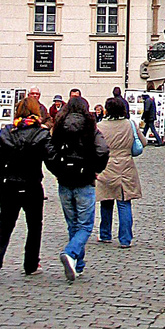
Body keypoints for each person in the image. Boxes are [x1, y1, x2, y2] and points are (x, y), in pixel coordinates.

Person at [0, 95, 55, 283]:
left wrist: (0, 184)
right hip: (32, 185)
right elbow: (51, 160)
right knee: (34, 226)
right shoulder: (41, 134)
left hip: (9, 184)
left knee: (5, 225)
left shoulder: (6, 132)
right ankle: (31, 264)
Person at [47, 96, 109, 281]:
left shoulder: (59, 126)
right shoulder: (90, 126)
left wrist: (57, 170)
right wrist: (95, 169)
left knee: (72, 223)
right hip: (85, 180)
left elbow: (49, 151)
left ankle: (77, 264)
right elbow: (103, 150)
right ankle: (71, 252)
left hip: (65, 180)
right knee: (85, 224)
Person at [95, 95, 145, 247]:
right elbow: (142, 142)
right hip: (125, 166)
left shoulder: (99, 127)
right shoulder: (130, 124)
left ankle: (105, 234)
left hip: (106, 166)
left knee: (106, 201)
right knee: (124, 203)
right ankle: (125, 238)